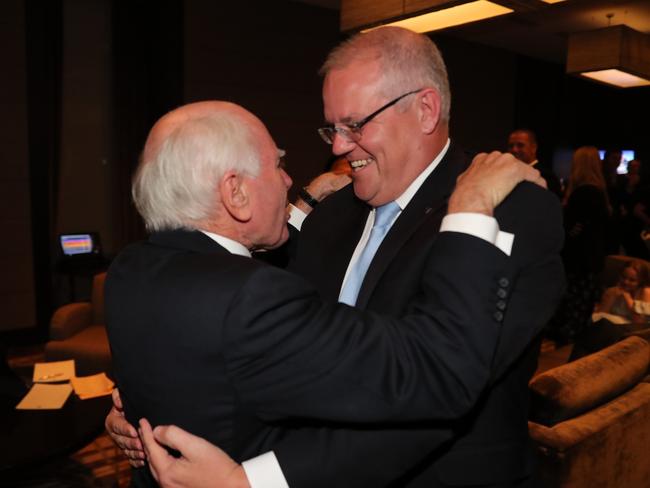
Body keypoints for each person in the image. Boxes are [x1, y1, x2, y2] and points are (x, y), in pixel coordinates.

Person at [108, 27, 564, 488]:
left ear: (425, 109)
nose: (338, 147)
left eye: (355, 125)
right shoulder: (331, 215)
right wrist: (154, 397)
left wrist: (256, 480)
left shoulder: (508, 209)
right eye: (333, 128)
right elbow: (241, 334)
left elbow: (440, 395)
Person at [547, 146, 611, 343]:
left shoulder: (584, 193)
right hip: (589, 260)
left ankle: (566, 347)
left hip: (578, 261)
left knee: (572, 308)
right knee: (580, 307)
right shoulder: (598, 191)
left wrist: (566, 236)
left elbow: (575, 228)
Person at [507, 128, 562, 198]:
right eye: (511, 146)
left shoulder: (546, 177)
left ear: (534, 148)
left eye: (520, 145)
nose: (514, 149)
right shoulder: (507, 173)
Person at [595, 259, 650, 323]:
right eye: (623, 277)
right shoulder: (613, 290)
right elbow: (599, 316)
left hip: (636, 329)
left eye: (632, 280)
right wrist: (612, 296)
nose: (625, 282)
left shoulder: (645, 292)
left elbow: (639, 322)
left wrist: (627, 297)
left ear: (641, 281)